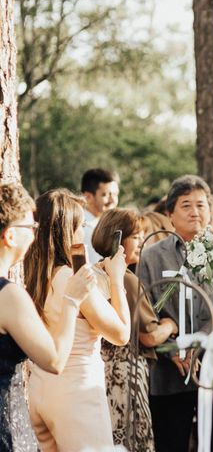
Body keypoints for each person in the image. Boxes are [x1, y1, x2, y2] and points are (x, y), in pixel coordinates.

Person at [137, 175, 213, 452]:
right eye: (186, 205)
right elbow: (144, 308)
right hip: (169, 372)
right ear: (170, 214)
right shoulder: (152, 256)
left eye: (201, 205)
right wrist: (171, 349)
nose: (195, 212)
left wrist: (203, 339)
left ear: (211, 212)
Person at [24, 189, 130, 451]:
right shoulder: (72, 280)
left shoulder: (33, 275)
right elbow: (121, 334)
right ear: (66, 230)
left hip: (40, 389)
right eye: (80, 225)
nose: (83, 232)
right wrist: (117, 278)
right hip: (76, 391)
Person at [0, 184, 94, 452]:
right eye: (30, 229)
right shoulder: (8, 296)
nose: (34, 236)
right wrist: (72, 300)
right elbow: (54, 360)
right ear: (9, 236)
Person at [93, 209, 178, 451]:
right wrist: (171, 324)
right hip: (126, 373)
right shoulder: (126, 279)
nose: (142, 242)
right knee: (133, 439)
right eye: (136, 236)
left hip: (102, 372)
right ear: (117, 239)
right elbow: (150, 336)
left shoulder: (95, 271)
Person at [80, 168, 120, 264]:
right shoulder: (80, 227)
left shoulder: (109, 224)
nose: (113, 200)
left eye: (115, 194)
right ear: (88, 197)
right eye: (105, 194)